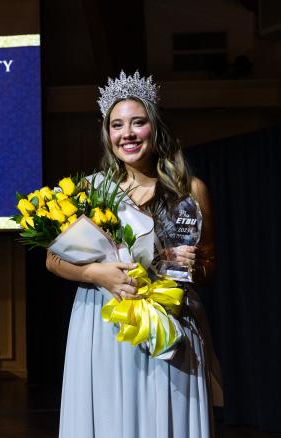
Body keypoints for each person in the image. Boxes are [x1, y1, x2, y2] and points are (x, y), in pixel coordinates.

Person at [46, 72, 221, 438]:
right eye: (117, 125)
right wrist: (96, 274)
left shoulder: (190, 190)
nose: (127, 133)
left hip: (168, 322)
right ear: (107, 135)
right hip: (103, 324)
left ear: (154, 128)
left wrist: (193, 265)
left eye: (137, 122)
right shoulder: (89, 192)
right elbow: (54, 259)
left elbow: (209, 267)